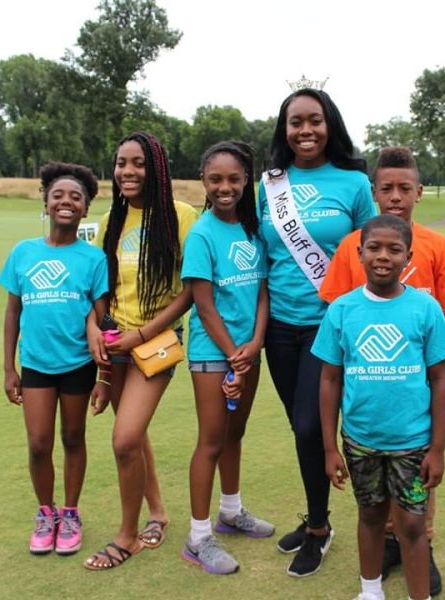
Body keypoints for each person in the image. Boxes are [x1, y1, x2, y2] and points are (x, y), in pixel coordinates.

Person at [320, 146, 445, 596]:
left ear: (418, 192)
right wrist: (330, 444)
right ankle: (379, 574)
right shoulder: (352, 250)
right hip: (364, 421)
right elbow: (336, 350)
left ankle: (419, 561)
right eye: (385, 188)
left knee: (414, 515)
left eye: (404, 188)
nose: (394, 196)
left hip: (414, 415)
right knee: (373, 512)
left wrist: (438, 434)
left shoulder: (438, 251)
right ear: (373, 192)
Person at [259, 87, 377, 577]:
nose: (305, 131)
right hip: (278, 329)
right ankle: (316, 516)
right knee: (301, 427)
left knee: (313, 426)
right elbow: (259, 256)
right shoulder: (268, 184)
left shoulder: (353, 184)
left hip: (329, 327)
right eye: (295, 122)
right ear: (283, 129)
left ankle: (319, 530)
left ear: (330, 125)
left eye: (315, 120)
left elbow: (374, 251)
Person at [83, 132, 198, 570]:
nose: (127, 172)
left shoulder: (180, 215)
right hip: (115, 343)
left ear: (157, 168)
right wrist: (95, 325)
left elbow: (190, 291)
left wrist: (144, 333)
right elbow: (97, 287)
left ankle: (127, 536)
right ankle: (159, 514)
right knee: (135, 436)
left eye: (138, 163)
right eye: (120, 163)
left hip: (158, 343)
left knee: (125, 438)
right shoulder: (112, 220)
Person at [0, 161, 108, 557]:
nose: (66, 201)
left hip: (79, 363)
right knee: (39, 443)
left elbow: (103, 318)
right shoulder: (23, 252)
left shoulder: (93, 259)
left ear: (85, 209)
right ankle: (46, 514)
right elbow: (13, 312)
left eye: (75, 197)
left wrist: (104, 377)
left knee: (72, 438)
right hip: (36, 365)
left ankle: (71, 513)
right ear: (45, 203)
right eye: (58, 195)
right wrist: (9, 367)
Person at [180, 141, 274, 574]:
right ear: (203, 181)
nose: (225, 187)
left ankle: (231, 512)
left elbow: (261, 292)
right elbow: (203, 306)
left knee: (235, 435)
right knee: (212, 441)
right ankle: (199, 538)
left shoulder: (253, 229)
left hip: (246, 351)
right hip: (212, 354)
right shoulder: (201, 233)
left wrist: (254, 344)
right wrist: (236, 356)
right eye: (215, 179)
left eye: (234, 179)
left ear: (246, 181)